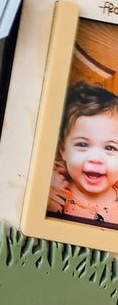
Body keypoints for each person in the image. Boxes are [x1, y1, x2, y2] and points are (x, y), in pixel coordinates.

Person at [47, 81, 118, 225]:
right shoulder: (51, 196)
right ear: (63, 150)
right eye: (82, 144)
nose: (95, 159)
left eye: (110, 148)